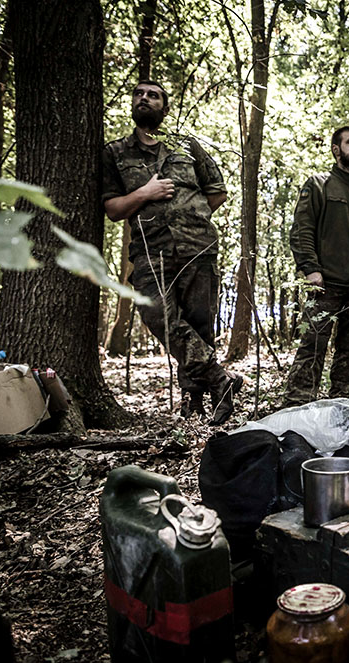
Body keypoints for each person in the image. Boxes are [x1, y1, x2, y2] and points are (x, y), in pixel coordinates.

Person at [102, 80, 241, 425]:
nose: (144, 98)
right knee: (157, 316)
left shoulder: (186, 145)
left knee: (199, 325)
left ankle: (196, 404)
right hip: (150, 251)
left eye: (153, 95)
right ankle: (220, 378)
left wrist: (192, 216)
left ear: (165, 108)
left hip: (198, 247)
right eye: (139, 94)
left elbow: (217, 191)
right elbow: (113, 209)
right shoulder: (115, 152)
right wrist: (145, 194)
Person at [284, 126, 349, 405]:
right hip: (326, 284)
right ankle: (296, 406)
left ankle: (341, 405)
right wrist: (310, 269)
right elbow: (302, 230)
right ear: (336, 149)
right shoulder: (318, 185)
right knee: (312, 347)